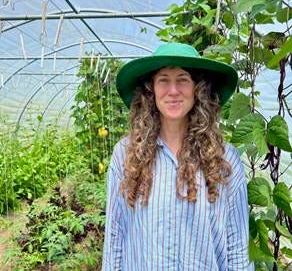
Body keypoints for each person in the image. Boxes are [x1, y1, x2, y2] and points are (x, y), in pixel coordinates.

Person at [102, 42, 253, 270]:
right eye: (163, 79)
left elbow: (237, 243)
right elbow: (115, 235)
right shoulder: (125, 155)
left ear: (197, 89)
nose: (173, 90)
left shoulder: (224, 159)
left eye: (183, 79)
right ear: (150, 90)